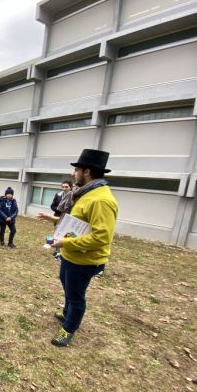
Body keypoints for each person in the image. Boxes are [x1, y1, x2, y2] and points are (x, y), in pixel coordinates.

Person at [37, 148, 118, 347]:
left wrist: (65, 242)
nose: (74, 174)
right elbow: (78, 223)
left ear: (87, 172)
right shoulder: (85, 193)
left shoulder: (101, 200)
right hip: (71, 255)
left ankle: (69, 328)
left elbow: (101, 237)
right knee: (67, 286)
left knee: (75, 296)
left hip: (84, 260)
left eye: (77, 170)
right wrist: (55, 220)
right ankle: (67, 314)